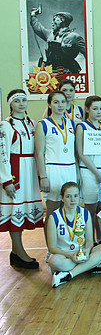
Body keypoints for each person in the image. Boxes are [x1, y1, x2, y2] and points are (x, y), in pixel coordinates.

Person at [0, 90, 44, 269]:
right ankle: (19, 251)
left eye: (24, 100)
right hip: (15, 173)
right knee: (14, 212)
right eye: (17, 101)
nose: (21, 103)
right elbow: (2, 154)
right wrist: (6, 180)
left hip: (29, 171)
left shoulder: (31, 123)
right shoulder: (5, 125)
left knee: (24, 211)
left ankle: (15, 253)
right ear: (10, 104)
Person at [46, 183, 101, 288]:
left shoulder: (85, 213)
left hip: (82, 253)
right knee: (53, 261)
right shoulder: (54, 217)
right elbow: (52, 247)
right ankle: (92, 266)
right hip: (64, 255)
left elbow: (89, 241)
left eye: (76, 196)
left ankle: (68, 274)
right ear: (62, 198)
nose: (73, 200)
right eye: (68, 196)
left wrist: (87, 251)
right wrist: (70, 256)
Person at [35, 90, 77, 219]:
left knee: (70, 210)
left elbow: (74, 151)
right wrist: (43, 176)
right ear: (49, 105)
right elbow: (39, 153)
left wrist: (77, 173)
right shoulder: (43, 124)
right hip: (53, 169)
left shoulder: (71, 123)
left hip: (70, 169)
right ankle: (50, 233)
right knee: (53, 211)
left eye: (63, 102)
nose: (60, 105)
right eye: (56, 102)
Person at [76, 96, 101, 240]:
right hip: (89, 172)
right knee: (90, 210)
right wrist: (97, 174)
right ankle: (89, 242)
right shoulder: (82, 127)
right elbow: (81, 153)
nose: (99, 112)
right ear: (87, 109)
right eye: (95, 108)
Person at [29, 7, 85, 73]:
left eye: (54, 20)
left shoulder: (74, 37)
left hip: (67, 72)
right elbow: (37, 28)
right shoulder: (50, 34)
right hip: (50, 72)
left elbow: (88, 53)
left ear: (62, 20)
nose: (52, 23)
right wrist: (33, 15)